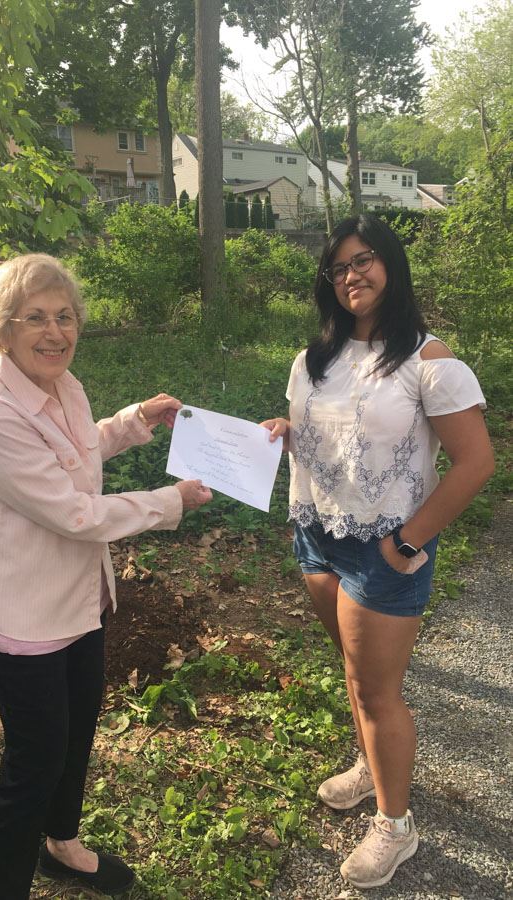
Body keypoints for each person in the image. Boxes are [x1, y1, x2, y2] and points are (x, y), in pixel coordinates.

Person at [0, 253, 212, 899]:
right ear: (2, 331)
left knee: (76, 732)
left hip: (79, 600)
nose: (55, 331)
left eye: (64, 316)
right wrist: (170, 501)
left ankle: (61, 846)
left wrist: (133, 422)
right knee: (33, 762)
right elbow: (72, 512)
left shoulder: (61, 385)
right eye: (35, 317)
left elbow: (74, 449)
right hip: (21, 614)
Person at [261, 214, 494, 890]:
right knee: (355, 670)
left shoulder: (429, 360)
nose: (349, 275)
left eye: (362, 260)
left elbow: (475, 462)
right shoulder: (312, 360)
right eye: (337, 267)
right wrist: (284, 427)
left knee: (377, 689)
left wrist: (407, 541)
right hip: (317, 535)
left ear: (390, 266)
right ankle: (371, 766)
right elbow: (319, 433)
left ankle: (396, 824)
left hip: (384, 548)